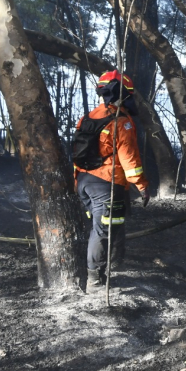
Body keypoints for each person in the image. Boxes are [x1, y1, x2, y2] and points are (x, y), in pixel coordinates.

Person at [74, 70, 149, 291]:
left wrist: (76, 182)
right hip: (106, 184)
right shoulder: (120, 122)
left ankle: (105, 272)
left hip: (85, 183)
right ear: (124, 94)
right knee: (102, 231)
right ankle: (95, 281)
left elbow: (77, 156)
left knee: (106, 227)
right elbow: (130, 159)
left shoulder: (86, 119)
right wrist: (142, 186)